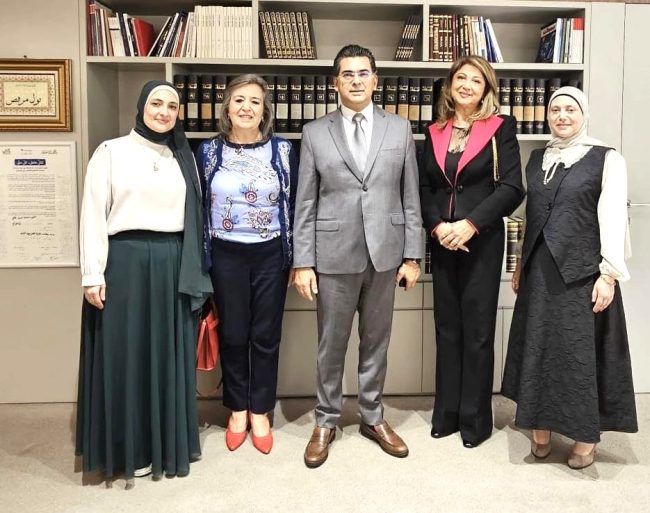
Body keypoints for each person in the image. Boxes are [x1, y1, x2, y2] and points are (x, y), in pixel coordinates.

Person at [76, 80, 212, 487]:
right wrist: (92, 273)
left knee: (168, 357)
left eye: (172, 106)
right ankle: (127, 451)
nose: (164, 112)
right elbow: (93, 213)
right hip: (125, 264)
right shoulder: (110, 152)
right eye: (156, 103)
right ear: (141, 106)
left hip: (173, 263)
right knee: (126, 354)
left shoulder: (183, 156)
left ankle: (164, 447)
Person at [292, 44, 423, 468]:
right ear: (335, 83)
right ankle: (326, 420)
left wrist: (413, 256)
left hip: (386, 255)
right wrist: (302, 262)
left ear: (375, 80)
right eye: (347, 74)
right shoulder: (315, 132)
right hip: (332, 255)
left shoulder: (399, 129)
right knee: (331, 344)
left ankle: (372, 416)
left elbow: (410, 198)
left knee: (376, 342)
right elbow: (305, 203)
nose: (355, 80)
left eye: (363, 73)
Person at [501, 86, 637, 469]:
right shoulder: (538, 158)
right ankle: (540, 428)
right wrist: (519, 264)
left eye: (570, 109)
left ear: (584, 114)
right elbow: (530, 215)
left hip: (582, 274)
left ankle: (584, 439)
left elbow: (613, 216)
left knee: (577, 356)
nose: (562, 116)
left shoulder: (606, 158)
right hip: (539, 273)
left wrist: (608, 275)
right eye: (555, 109)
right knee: (540, 350)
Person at [419, 56, 525, 448]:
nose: (466, 85)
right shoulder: (434, 131)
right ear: (450, 85)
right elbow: (425, 187)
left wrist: (470, 224)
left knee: (478, 332)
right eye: (460, 78)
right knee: (446, 329)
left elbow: (512, 188)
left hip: (481, 240)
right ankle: (446, 414)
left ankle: (475, 420)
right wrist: (438, 226)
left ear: (486, 89)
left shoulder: (501, 127)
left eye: (475, 80)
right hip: (443, 241)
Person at [196, 74, 298, 455]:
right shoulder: (209, 152)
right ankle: (237, 409)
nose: (246, 108)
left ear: (264, 111)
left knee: (266, 335)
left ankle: (261, 410)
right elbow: (199, 204)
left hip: (271, 254)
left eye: (255, 101)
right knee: (234, 334)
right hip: (226, 254)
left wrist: (297, 258)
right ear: (226, 108)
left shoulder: (282, 151)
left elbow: (295, 204)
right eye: (239, 100)